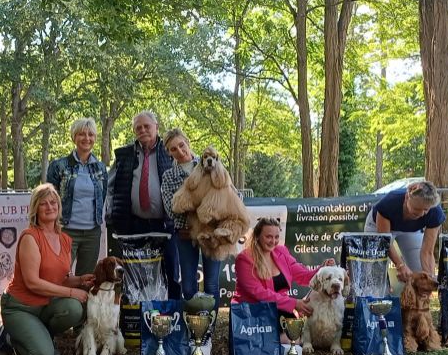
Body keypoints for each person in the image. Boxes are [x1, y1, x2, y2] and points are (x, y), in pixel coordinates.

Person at [0, 183, 95, 355]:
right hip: (20, 307)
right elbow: (33, 282)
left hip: (45, 305)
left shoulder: (65, 239)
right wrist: (72, 292)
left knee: (75, 309)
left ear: (59, 207)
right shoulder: (30, 237)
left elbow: (60, 280)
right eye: (44, 204)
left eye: (53, 203)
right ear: (35, 208)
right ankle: (12, 339)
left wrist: (79, 281)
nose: (50, 207)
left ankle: (41, 334)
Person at [106, 110, 179, 299]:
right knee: (135, 275)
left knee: (171, 272)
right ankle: (136, 318)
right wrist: (109, 214)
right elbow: (110, 186)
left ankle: (173, 317)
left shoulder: (172, 150)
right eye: (138, 127)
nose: (143, 130)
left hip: (166, 224)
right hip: (134, 225)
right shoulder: (124, 154)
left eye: (147, 126)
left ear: (157, 127)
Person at [160, 128, 223, 300]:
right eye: (173, 149)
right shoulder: (168, 176)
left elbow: (228, 193)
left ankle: (208, 326)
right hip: (185, 234)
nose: (180, 151)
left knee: (211, 285)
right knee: (188, 287)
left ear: (188, 142)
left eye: (181, 145)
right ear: (168, 152)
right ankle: (193, 325)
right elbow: (171, 208)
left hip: (212, 233)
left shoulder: (209, 163)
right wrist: (203, 203)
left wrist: (190, 204)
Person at [233, 217, 331, 321]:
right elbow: (258, 293)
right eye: (268, 237)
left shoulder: (282, 251)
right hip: (251, 312)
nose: (273, 241)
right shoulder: (244, 258)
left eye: (276, 237)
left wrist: (323, 269)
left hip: (279, 309)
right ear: (257, 236)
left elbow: (304, 276)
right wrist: (293, 303)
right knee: (285, 336)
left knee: (293, 335)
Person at [46, 117, 108, 277]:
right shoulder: (58, 166)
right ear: (74, 137)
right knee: (60, 276)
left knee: (86, 278)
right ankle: (63, 303)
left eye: (91, 134)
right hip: (66, 230)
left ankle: (82, 303)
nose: (87, 138)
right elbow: (49, 200)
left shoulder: (101, 167)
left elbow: (103, 194)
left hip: (92, 232)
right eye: (82, 134)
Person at [364, 180, 445, 282]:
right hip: (378, 227)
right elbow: (385, 242)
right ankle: (379, 296)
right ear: (407, 198)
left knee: (419, 271)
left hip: (411, 230)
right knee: (375, 269)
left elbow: (427, 252)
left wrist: (429, 280)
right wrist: (400, 265)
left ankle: (417, 297)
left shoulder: (435, 212)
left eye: (426, 210)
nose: (421, 214)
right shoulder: (389, 202)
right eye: (416, 210)